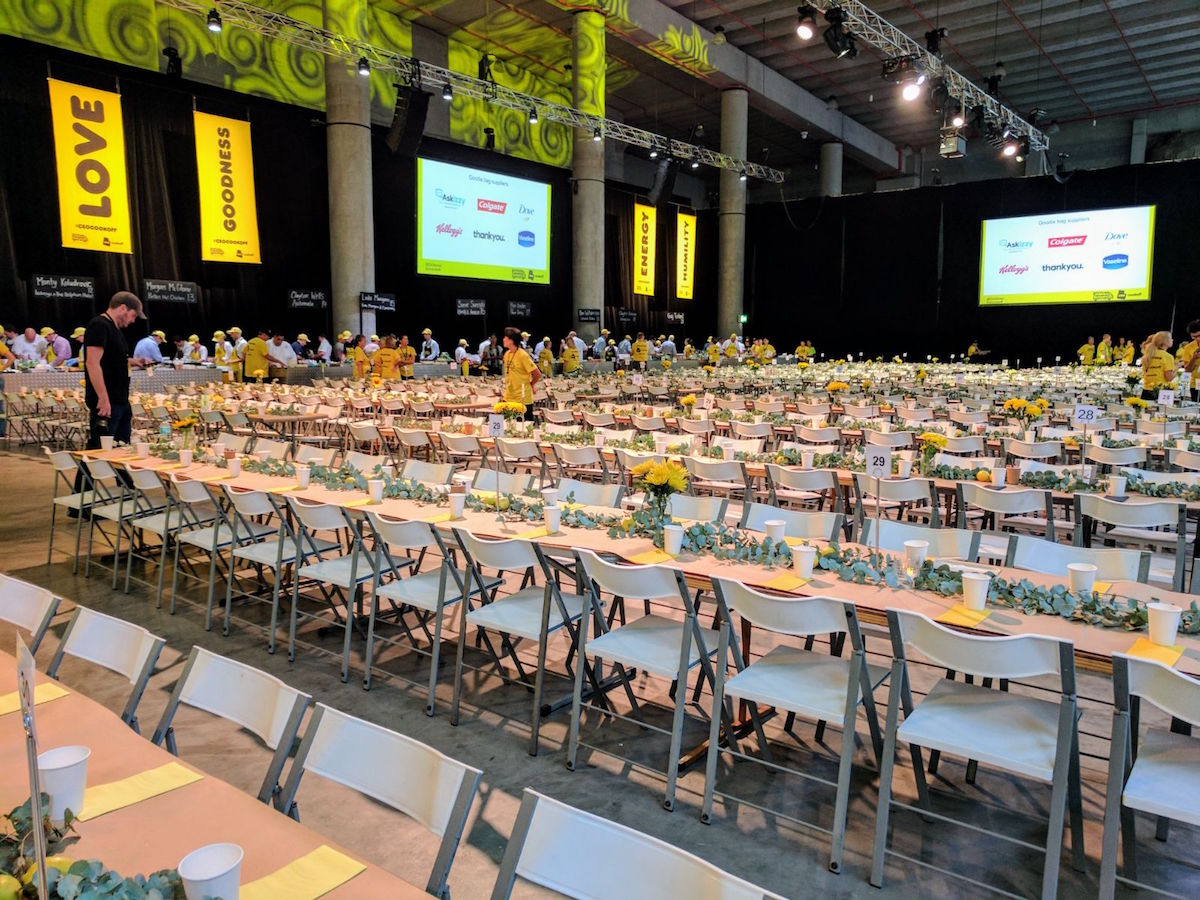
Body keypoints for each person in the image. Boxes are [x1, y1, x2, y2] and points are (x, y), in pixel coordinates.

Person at [84, 292, 148, 447]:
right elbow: (92, 363)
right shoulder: (100, 325)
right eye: (133, 316)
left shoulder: (114, 329)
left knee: (121, 449)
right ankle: (89, 472)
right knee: (101, 451)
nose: (133, 321)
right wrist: (103, 398)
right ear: (123, 308)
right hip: (109, 402)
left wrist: (134, 361)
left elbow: (112, 359)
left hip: (120, 399)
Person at [502, 325, 539, 411]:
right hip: (509, 396)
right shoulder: (507, 354)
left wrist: (531, 384)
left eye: (505, 337)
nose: (503, 339)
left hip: (522, 398)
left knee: (525, 424)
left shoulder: (523, 355)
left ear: (511, 340)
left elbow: (537, 374)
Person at [1140, 331, 1176, 400]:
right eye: (1171, 338)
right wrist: (1177, 369)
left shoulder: (1148, 354)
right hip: (1160, 392)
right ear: (1165, 341)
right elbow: (1169, 378)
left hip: (1146, 390)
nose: (1172, 340)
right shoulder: (1167, 356)